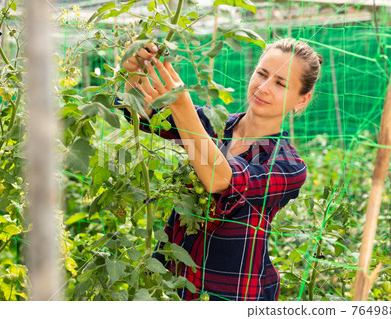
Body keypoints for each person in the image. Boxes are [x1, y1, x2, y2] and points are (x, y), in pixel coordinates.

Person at [120, 38, 323, 301]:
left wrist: (181, 104)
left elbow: (220, 180)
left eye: (280, 84)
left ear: (302, 100)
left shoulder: (288, 167)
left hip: (232, 294)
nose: (263, 87)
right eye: (261, 74)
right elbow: (141, 113)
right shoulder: (213, 124)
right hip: (173, 284)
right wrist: (136, 70)